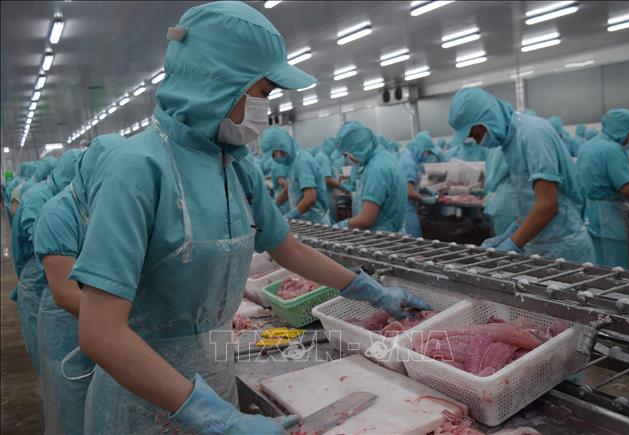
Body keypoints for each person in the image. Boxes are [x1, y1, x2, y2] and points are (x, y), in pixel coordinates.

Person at [70, 5, 431, 433]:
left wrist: (369, 290)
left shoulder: (236, 165)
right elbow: (100, 332)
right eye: (262, 92)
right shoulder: (138, 170)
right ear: (220, 84)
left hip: (214, 377)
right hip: (143, 401)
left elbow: (286, 248)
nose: (266, 108)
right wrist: (214, 417)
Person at [35, 136, 122, 434]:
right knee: (72, 409)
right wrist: (124, 322)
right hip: (68, 330)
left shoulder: (109, 208)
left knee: (105, 413)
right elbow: (65, 293)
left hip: (108, 321)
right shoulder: (57, 215)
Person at [450, 87, 594, 262]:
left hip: (562, 244)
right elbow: (530, 199)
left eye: (478, 135)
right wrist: (512, 230)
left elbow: (548, 205)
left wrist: (512, 243)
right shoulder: (510, 142)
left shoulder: (533, 134)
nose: (478, 142)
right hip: (540, 241)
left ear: (489, 118)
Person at [12, 149, 82, 373]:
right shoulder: (37, 200)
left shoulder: (67, 198)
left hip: (55, 274)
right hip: (37, 280)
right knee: (51, 353)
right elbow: (40, 242)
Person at [576, 109, 629, 268]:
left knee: (595, 270)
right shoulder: (612, 150)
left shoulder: (588, 146)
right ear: (624, 131)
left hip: (589, 217)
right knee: (615, 272)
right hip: (607, 221)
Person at [333, 121, 407, 232]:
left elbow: (365, 220)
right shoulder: (383, 159)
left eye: (346, 154)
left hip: (381, 240)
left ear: (357, 148)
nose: (345, 159)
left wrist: (341, 226)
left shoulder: (377, 169)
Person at [263, 127, 330, 224]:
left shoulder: (302, 162)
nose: (273, 159)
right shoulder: (292, 162)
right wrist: (272, 206)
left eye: (273, 155)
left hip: (314, 221)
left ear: (280, 149)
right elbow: (289, 190)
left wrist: (288, 216)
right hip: (305, 220)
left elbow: (310, 197)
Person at [399, 131, 437, 237]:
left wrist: (422, 190)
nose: (428, 155)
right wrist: (424, 199)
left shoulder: (408, 158)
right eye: (428, 152)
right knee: (413, 243)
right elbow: (409, 191)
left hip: (405, 208)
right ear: (421, 149)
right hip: (407, 211)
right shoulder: (409, 163)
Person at [483, 147, 518, 236]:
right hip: (512, 204)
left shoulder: (493, 148)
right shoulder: (514, 145)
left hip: (496, 203)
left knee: (499, 244)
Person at [313, 139, 349, 222]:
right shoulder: (323, 159)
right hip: (326, 197)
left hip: (323, 196)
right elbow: (327, 179)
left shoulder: (319, 157)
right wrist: (344, 188)